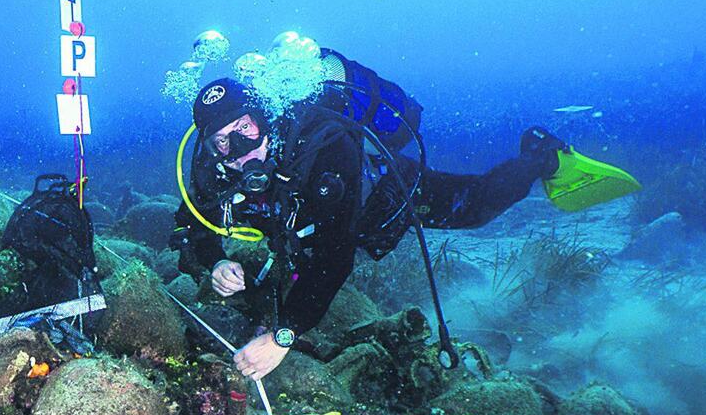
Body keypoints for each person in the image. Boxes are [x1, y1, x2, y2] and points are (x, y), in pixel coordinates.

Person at [172, 57, 636, 382]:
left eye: (246, 128)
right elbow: (187, 227)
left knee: (475, 207)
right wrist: (215, 263)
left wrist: (283, 336)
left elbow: (334, 258)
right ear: (208, 147)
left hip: (385, 196)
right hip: (306, 228)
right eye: (223, 141)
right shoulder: (213, 172)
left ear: (265, 118)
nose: (240, 149)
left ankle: (542, 156)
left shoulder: (325, 147)